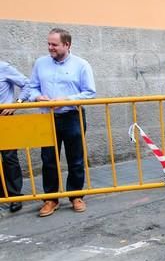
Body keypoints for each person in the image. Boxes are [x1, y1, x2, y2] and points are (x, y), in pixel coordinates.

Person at [29, 28, 96, 217]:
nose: (50, 47)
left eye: (54, 44)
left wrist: (65, 99)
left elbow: (90, 92)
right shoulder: (40, 63)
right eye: (48, 44)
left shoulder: (82, 65)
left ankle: (76, 196)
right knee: (48, 159)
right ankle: (50, 199)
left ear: (67, 45)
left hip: (71, 116)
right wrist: (37, 97)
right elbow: (31, 86)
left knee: (75, 158)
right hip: (46, 118)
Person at [0, 61, 30, 213]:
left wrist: (16, 103)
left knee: (9, 157)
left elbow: (27, 84)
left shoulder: (3, 67)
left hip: (4, 118)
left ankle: (14, 196)